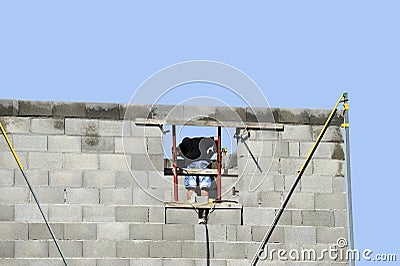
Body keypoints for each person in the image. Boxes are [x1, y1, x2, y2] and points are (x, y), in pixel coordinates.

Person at [177, 136, 217, 201]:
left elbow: (178, 153)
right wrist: (216, 148)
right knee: (204, 187)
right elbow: (217, 138)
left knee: (191, 187)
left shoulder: (183, 145)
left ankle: (191, 206)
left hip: (190, 164)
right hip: (203, 163)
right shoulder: (203, 140)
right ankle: (203, 206)